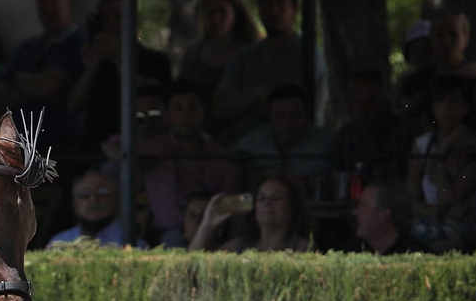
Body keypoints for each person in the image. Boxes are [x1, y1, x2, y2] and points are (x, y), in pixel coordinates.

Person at [212, 0, 328, 138]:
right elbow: (221, 106)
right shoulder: (245, 56)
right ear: (259, 10)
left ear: (294, 10)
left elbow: (291, 111)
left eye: (281, 4)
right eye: (268, 4)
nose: (274, 11)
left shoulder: (306, 54)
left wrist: (244, 102)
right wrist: (257, 95)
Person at [0, 0, 86, 150]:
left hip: (62, 148)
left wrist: (17, 80)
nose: (48, 8)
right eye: (42, 2)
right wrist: (41, 90)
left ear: (70, 3)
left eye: (54, 0)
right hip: (19, 148)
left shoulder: (81, 44)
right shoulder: (27, 48)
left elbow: (51, 86)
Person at [137, 81, 235, 245]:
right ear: (167, 115)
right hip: (167, 236)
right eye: (178, 109)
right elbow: (119, 152)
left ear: (204, 112)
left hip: (214, 235)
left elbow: (232, 202)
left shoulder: (221, 155)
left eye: (193, 108)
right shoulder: (152, 149)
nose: (186, 116)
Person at [68, 0, 173, 149]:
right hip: (98, 148)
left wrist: (120, 60)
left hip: (144, 148)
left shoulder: (156, 60)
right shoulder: (95, 62)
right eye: (106, 20)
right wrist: (89, 71)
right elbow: (73, 106)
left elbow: (158, 98)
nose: (112, 25)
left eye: (118, 18)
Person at [407, 76, 476, 252]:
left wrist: (441, 159)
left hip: (469, 233)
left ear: (466, 107)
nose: (446, 108)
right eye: (439, 101)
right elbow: (412, 201)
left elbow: (449, 198)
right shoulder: (422, 145)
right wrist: (438, 213)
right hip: (427, 228)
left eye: (454, 101)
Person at [233, 85, 334, 189]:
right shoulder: (250, 146)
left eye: (295, 116)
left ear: (307, 114)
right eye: (280, 117)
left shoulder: (326, 144)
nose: (287, 124)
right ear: (270, 117)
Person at [177, 0, 260, 109]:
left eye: (222, 12)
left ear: (235, 15)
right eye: (210, 12)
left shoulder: (250, 53)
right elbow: (180, 92)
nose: (216, 19)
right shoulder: (194, 52)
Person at [329, 70, 413, 187]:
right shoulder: (344, 138)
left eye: (371, 101)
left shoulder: (405, 133)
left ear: (385, 102)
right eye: (356, 101)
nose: (362, 109)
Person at [189, 172, 312, 252]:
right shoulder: (238, 246)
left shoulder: (301, 247)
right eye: (261, 198)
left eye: (276, 198)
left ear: (291, 207)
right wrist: (206, 225)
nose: (267, 203)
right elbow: (191, 267)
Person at [47, 168, 129, 247]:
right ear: (75, 202)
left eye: (102, 193)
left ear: (116, 200)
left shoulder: (130, 242)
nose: (93, 199)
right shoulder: (59, 243)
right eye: (85, 194)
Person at [353, 180, 425, 254]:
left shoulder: (417, 257)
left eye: (363, 205)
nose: (355, 212)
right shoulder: (354, 251)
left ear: (384, 214)